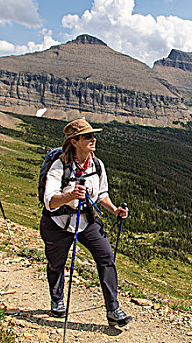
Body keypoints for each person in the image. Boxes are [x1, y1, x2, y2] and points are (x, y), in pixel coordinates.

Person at [40, 118, 132, 327]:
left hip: (86, 221)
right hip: (58, 223)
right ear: (74, 141)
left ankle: (113, 308)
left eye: (93, 135)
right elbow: (50, 201)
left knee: (106, 257)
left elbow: (101, 194)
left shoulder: (97, 165)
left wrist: (114, 209)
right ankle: (57, 299)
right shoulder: (58, 166)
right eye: (88, 136)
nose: (94, 139)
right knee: (56, 264)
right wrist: (71, 195)